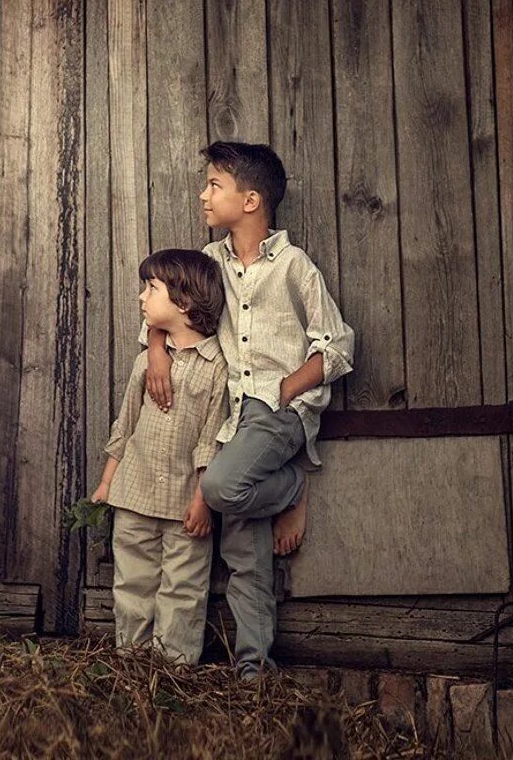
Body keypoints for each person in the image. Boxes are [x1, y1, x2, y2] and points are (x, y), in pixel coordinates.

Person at [143, 141, 355, 679]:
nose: (203, 194)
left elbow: (337, 345)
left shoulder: (292, 267)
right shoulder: (209, 263)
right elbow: (168, 307)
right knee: (244, 551)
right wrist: (156, 350)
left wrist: (287, 389)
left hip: (278, 416)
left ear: (252, 199)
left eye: (215, 184)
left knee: (219, 489)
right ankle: (254, 668)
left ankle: (291, 486)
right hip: (230, 420)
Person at [93, 248, 229, 665]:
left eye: (151, 289)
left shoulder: (217, 370)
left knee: (183, 588)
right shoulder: (145, 364)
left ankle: (173, 670)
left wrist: (202, 502)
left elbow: (212, 441)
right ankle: (131, 662)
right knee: (133, 582)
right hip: (134, 495)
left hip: (186, 506)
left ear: (184, 302)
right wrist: (106, 482)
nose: (141, 297)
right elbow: (125, 425)